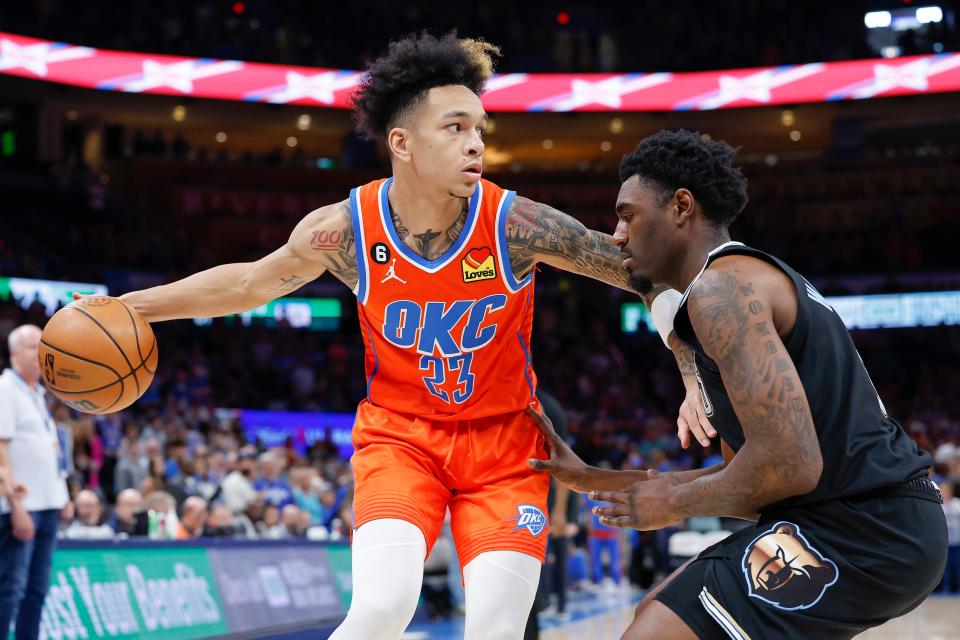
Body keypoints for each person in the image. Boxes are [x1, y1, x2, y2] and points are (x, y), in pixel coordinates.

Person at [94, 33, 681, 640]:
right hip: (402, 439)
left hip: (507, 447)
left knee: (496, 631)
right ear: (400, 142)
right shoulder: (344, 229)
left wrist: (690, 368)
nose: (476, 142)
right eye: (455, 128)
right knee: (380, 610)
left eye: (480, 128)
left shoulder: (515, 222)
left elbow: (641, 275)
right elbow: (249, 283)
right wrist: (131, 306)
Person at [529, 129, 947, 639]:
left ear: (682, 206)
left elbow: (789, 467)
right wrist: (599, 478)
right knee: (654, 611)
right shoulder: (720, 292)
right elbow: (749, 484)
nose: (617, 234)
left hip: (868, 526)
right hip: (852, 522)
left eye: (628, 214)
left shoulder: (722, 289)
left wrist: (674, 504)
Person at [0, 325, 71, 640]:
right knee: (9, 591)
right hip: (20, 509)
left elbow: (50, 453)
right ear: (14, 354)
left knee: (37, 591)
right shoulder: (5, 389)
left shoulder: (37, 393)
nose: (43, 353)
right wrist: (16, 506)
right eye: (34, 347)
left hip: (49, 506)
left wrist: (63, 495)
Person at [940, 480, 960, 594]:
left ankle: (957, 587)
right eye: (942, 490)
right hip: (944, 542)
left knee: (957, 566)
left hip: (956, 541)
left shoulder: (956, 503)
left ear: (951, 491)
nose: (944, 492)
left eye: (946, 490)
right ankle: (945, 588)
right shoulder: (939, 504)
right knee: (944, 568)